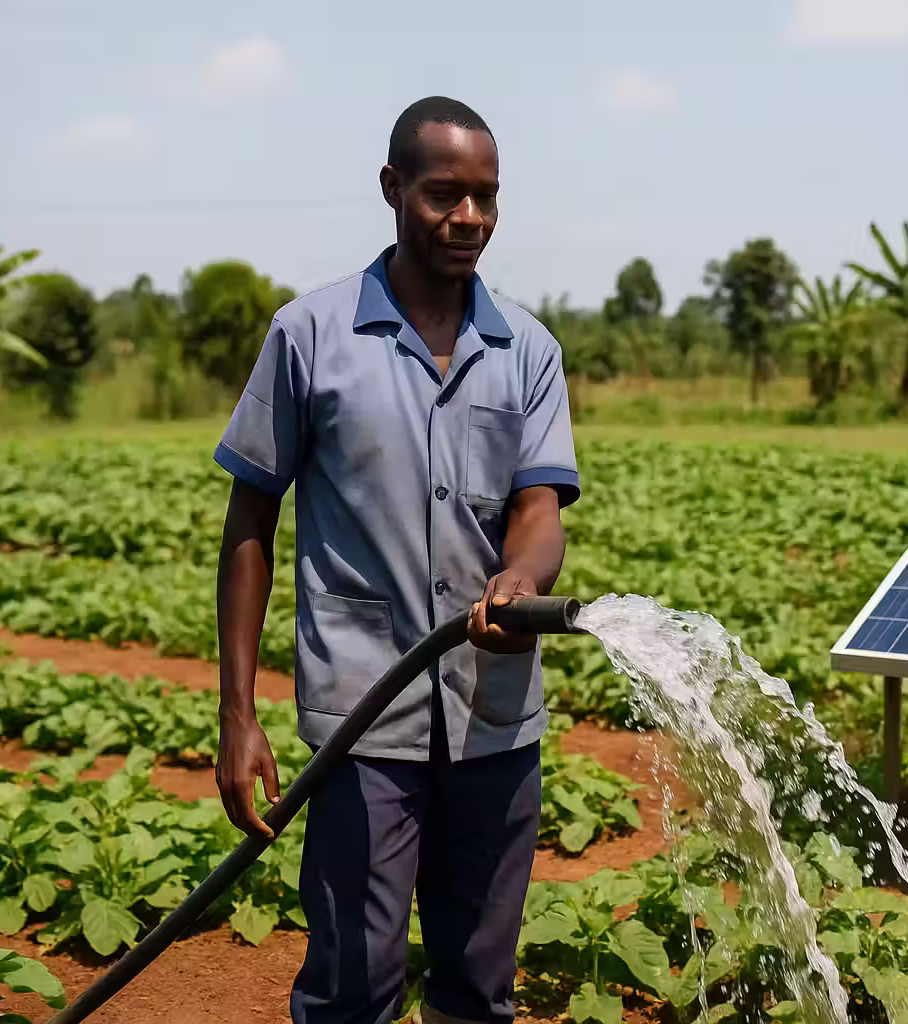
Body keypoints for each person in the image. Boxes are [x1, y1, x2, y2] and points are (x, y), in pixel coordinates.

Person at [212, 96, 579, 1024]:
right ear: (393, 188)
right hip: (360, 726)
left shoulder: (527, 350)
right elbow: (251, 517)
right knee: (353, 988)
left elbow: (539, 509)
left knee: (478, 990)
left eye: (486, 198)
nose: (470, 219)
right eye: (445, 194)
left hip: (496, 723)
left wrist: (522, 579)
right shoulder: (312, 335)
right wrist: (237, 713)